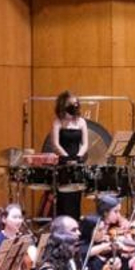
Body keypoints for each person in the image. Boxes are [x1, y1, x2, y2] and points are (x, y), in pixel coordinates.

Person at [46, 91, 90, 219]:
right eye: (72, 103)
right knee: (64, 198)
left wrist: (77, 157)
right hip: (63, 163)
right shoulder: (57, 122)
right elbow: (55, 144)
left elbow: (85, 144)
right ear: (64, 104)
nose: (75, 105)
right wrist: (67, 158)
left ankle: (75, 226)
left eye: (76, 103)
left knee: (76, 197)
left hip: (78, 162)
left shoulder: (81, 122)